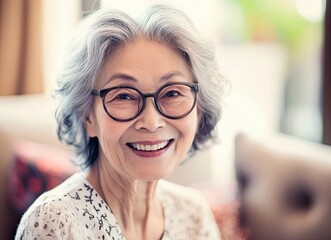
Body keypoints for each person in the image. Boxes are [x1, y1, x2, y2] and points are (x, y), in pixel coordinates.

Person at [15, 4, 226, 240]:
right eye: (124, 95)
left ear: (198, 110)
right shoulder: (54, 221)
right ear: (87, 117)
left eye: (172, 93)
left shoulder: (193, 214)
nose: (151, 121)